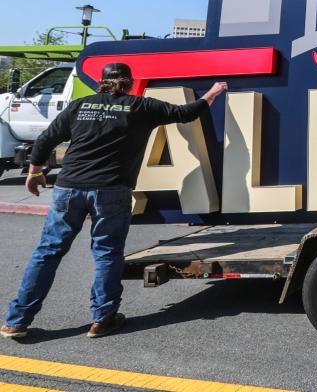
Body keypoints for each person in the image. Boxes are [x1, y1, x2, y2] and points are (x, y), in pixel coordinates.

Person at [1, 63, 227, 340]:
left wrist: (35, 172)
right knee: (106, 254)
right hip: (111, 190)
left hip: (68, 188)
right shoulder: (141, 107)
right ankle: (102, 319)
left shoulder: (80, 106)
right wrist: (212, 93)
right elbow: (186, 113)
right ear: (130, 83)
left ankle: (17, 320)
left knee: (47, 252)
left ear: (102, 82)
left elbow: (46, 140)